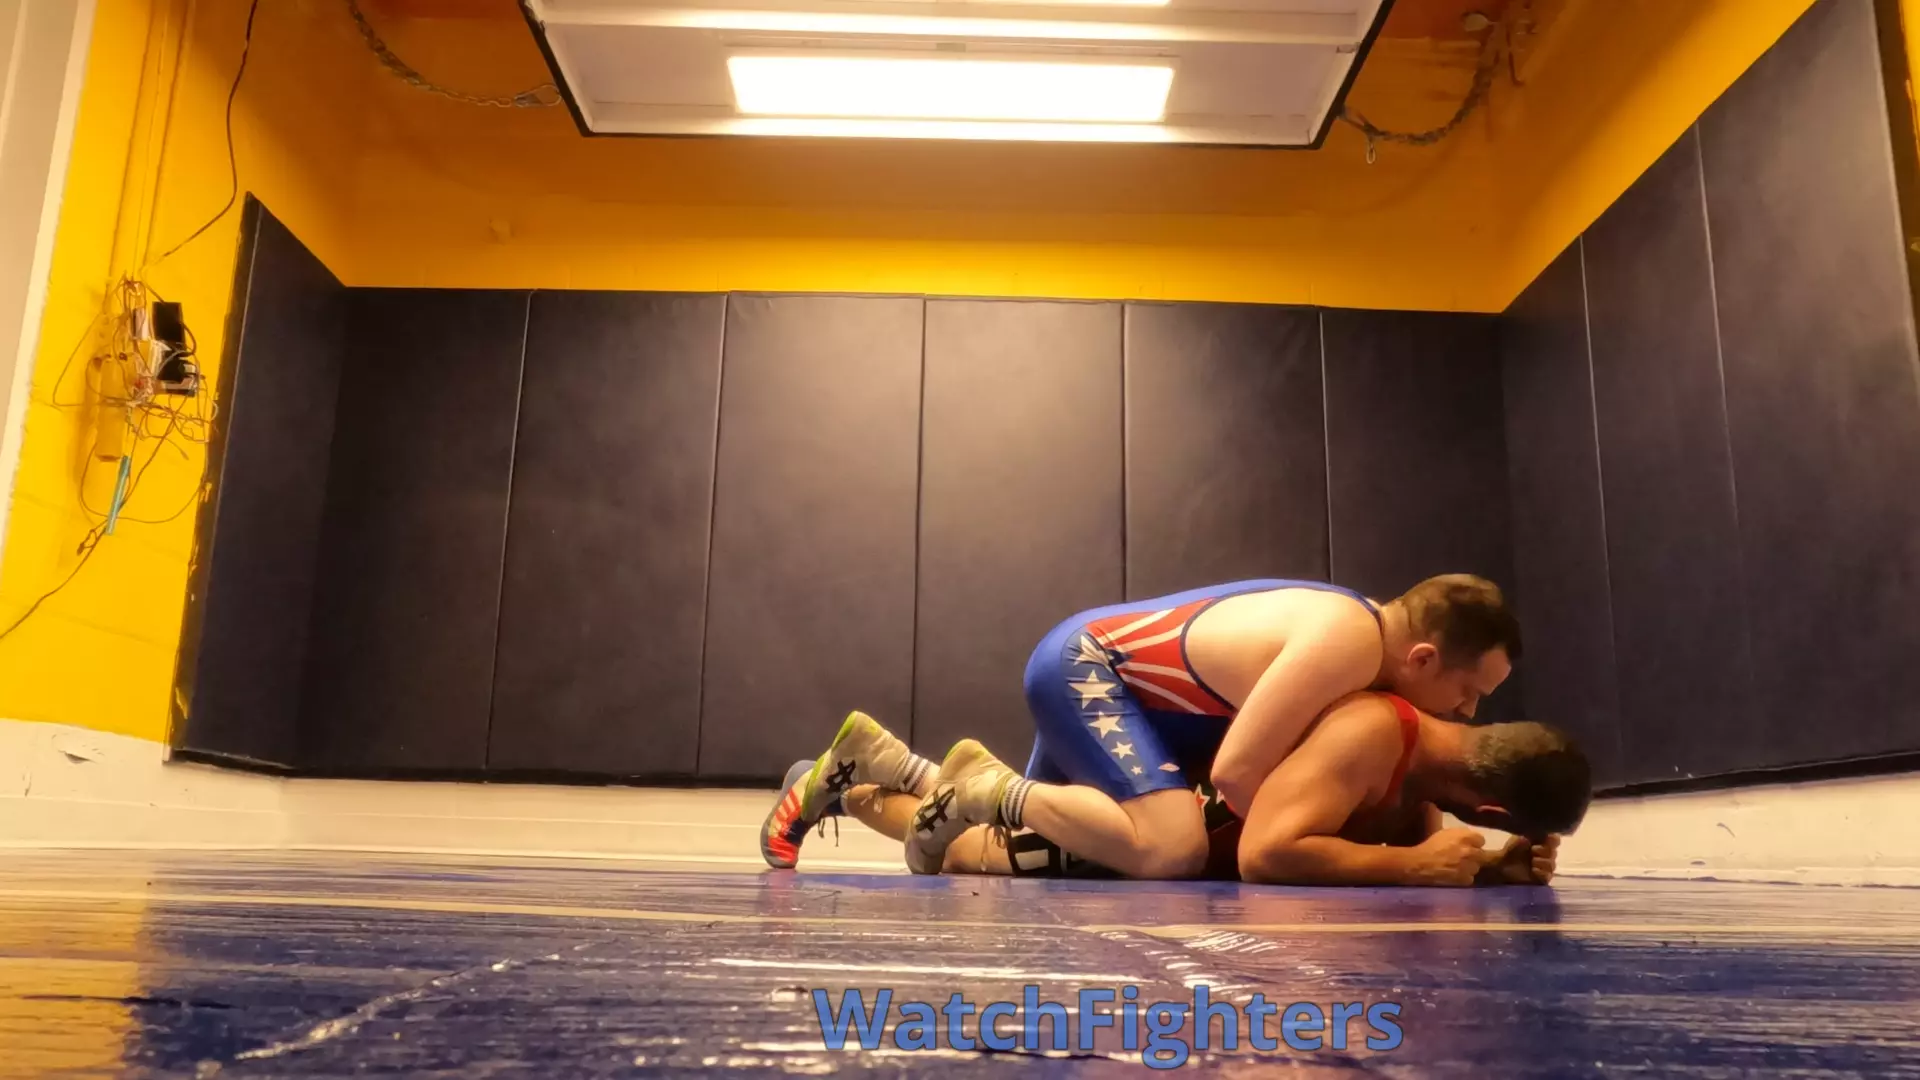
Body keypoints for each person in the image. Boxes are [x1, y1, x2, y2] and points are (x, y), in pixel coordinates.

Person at [762, 574, 1521, 878]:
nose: (1468, 712)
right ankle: (982, 785)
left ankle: (866, 769)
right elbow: (1236, 776)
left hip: (1128, 699)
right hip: (1091, 667)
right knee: (1171, 847)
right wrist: (1309, 845)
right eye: (1469, 691)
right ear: (1423, 658)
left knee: (1005, 849)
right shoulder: (1349, 642)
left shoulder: (1363, 647)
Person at [768, 693, 1588, 886]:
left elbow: (1397, 840)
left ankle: (885, 760)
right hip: (1161, 823)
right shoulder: (1378, 733)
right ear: (1491, 807)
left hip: (1175, 819)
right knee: (970, 855)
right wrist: (1411, 868)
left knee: (981, 830)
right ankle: (838, 787)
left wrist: (1490, 869)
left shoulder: (1421, 754)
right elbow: (1268, 853)